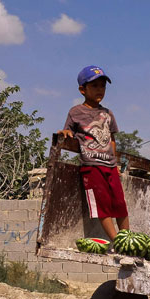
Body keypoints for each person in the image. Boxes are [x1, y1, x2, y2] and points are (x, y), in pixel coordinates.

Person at [58, 65, 130, 240]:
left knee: (120, 204)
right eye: (95, 86)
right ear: (83, 90)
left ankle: (127, 239)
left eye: (103, 86)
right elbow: (66, 131)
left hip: (110, 166)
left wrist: (115, 162)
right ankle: (117, 241)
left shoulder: (107, 113)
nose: (100, 90)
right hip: (91, 166)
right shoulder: (75, 112)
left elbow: (112, 139)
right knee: (102, 204)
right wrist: (66, 133)